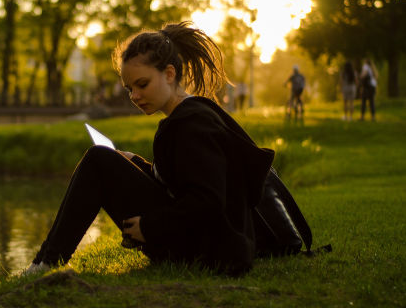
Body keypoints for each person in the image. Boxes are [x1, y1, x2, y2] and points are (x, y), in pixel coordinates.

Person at [25, 22, 274, 276]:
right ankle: (46, 260)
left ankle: (46, 262)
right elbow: (182, 184)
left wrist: (150, 226)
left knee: (98, 160)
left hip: (209, 252)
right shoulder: (187, 116)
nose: (134, 96)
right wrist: (138, 164)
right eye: (129, 88)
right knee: (104, 160)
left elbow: (209, 201)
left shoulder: (193, 123)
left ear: (169, 74)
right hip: (200, 243)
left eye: (142, 84)